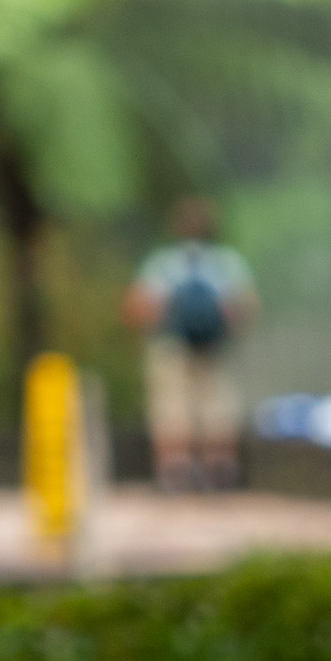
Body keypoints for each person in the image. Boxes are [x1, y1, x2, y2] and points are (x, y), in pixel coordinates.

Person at [123, 196, 258, 490]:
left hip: (170, 346)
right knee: (219, 408)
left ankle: (175, 473)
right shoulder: (227, 262)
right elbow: (245, 307)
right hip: (215, 349)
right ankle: (219, 472)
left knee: (170, 409)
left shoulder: (162, 264)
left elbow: (138, 307)